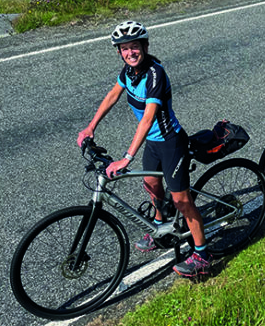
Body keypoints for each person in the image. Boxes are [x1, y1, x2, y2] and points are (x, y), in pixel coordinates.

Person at [77, 20, 211, 277]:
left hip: (171, 142)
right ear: (119, 52)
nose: (130, 52)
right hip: (153, 143)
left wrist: (127, 158)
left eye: (134, 47)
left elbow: (148, 118)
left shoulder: (154, 74)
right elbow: (112, 95)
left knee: (181, 200)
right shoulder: (128, 72)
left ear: (145, 46)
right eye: (124, 48)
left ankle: (203, 255)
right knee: (151, 186)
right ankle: (160, 227)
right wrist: (90, 126)